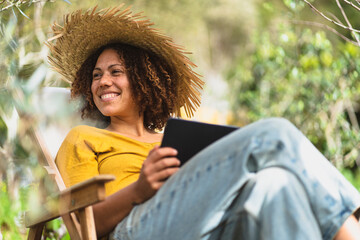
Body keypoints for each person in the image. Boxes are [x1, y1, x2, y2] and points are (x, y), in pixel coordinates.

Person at [50, 4, 360, 240]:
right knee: (273, 134)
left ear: (144, 81)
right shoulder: (83, 138)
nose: (103, 81)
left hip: (205, 222)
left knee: (276, 184)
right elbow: (81, 223)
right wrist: (139, 189)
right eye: (96, 75)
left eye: (116, 72)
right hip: (133, 230)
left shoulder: (174, 140)